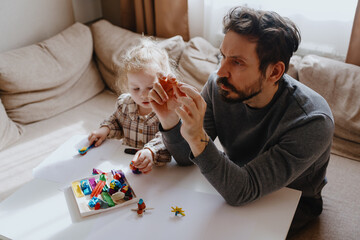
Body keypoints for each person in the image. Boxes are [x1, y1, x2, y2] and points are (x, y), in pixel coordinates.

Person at [149, 6, 334, 234]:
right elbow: (186, 158)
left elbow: (241, 192)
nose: (220, 72)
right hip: (234, 181)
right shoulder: (220, 87)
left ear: (274, 72)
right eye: (222, 56)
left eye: (237, 62)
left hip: (290, 200)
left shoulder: (312, 121)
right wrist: (169, 121)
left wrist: (197, 137)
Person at [88, 38, 172, 174]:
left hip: (158, 172)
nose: (143, 95)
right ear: (127, 84)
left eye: (150, 87)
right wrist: (105, 129)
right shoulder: (125, 104)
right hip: (126, 166)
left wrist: (150, 151)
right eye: (135, 88)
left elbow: (166, 138)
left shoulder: (168, 110)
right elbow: (116, 120)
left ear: (163, 83)